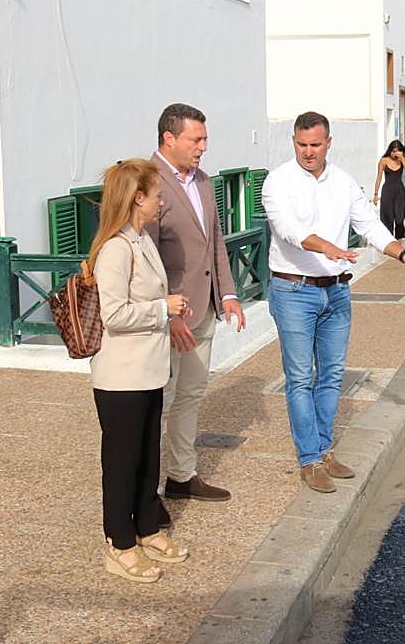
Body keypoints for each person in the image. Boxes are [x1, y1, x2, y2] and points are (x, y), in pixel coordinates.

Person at [263, 112, 405, 493]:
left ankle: (324, 450)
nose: (308, 152)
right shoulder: (278, 181)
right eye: (301, 144)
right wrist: (326, 245)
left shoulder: (343, 182)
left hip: (337, 290)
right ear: (294, 142)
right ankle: (309, 459)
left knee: (331, 375)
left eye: (315, 144)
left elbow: (371, 226)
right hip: (294, 290)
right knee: (299, 378)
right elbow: (287, 229)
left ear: (329, 143)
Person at [90, 159, 190, 583]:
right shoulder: (115, 248)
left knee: (148, 454)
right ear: (137, 198)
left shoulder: (142, 239)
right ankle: (119, 541)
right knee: (122, 459)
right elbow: (113, 314)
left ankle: (147, 526)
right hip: (121, 374)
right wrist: (161, 309)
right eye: (157, 195)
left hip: (149, 370)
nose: (161, 201)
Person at [147, 104, 243, 517]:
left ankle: (182, 476)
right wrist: (165, 314)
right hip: (168, 317)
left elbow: (215, 241)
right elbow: (144, 257)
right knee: (161, 401)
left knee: (191, 395)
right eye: (195, 140)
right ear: (169, 138)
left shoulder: (203, 181)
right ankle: (146, 495)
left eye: (204, 139)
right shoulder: (147, 183)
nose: (203, 147)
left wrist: (228, 294)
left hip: (203, 309)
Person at [372, 139, 405, 239]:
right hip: (387, 190)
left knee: (400, 218)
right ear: (390, 150)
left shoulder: (402, 159)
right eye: (393, 151)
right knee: (387, 216)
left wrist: (403, 159)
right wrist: (375, 194)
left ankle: (399, 238)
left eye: (397, 151)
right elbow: (378, 178)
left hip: (399, 190)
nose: (395, 153)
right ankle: (388, 239)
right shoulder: (384, 160)